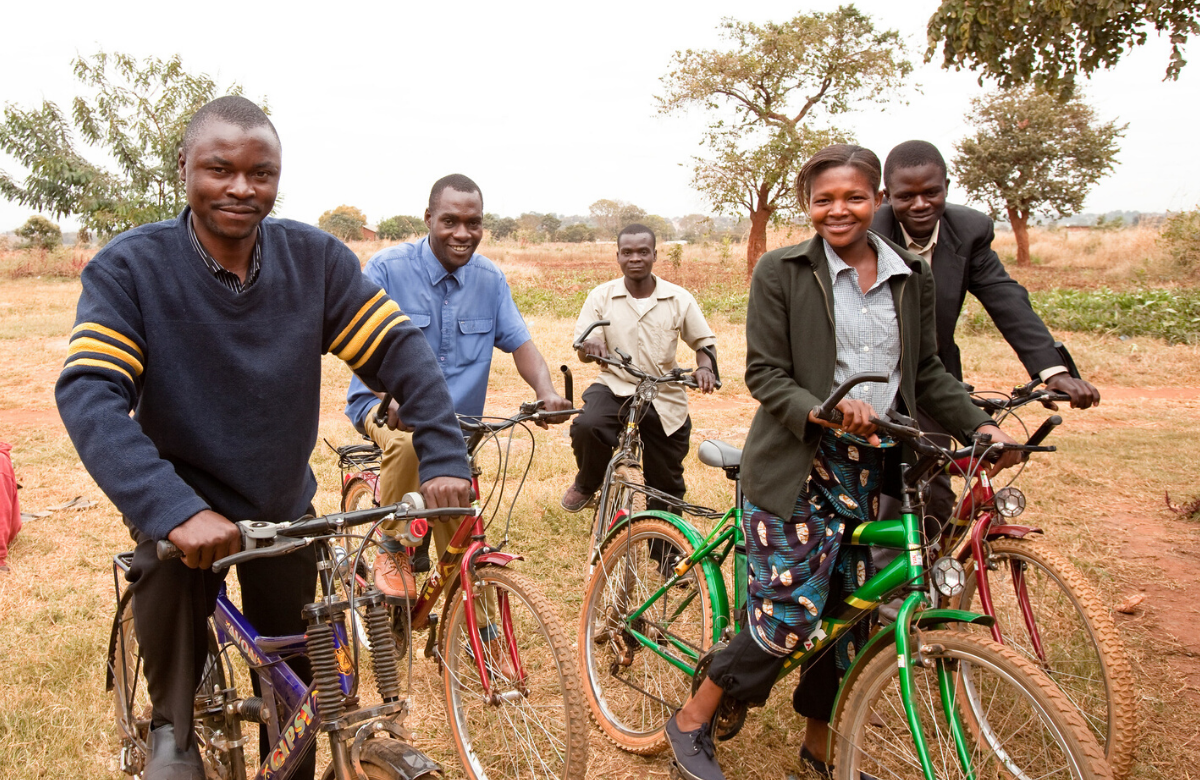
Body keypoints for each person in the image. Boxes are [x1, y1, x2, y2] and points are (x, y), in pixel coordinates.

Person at [55, 97, 471, 780]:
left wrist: (445, 452)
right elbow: (89, 392)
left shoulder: (315, 262)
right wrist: (173, 510)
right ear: (184, 168)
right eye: (220, 169)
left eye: (262, 174)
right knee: (171, 633)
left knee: (304, 695)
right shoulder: (131, 268)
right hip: (182, 509)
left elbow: (399, 349)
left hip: (279, 500)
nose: (242, 189)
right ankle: (171, 732)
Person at [664, 144, 1023, 780]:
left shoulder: (910, 272)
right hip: (800, 463)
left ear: (876, 200)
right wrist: (827, 410)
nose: (839, 210)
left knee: (852, 614)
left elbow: (928, 371)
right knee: (792, 613)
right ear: (808, 206)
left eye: (854, 197)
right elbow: (765, 375)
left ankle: (820, 743)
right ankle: (694, 717)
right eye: (824, 199)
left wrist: (980, 424)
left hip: (877, 467)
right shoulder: (782, 270)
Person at [344, 173, 570, 601]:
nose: (462, 233)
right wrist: (391, 400)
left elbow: (521, 344)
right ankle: (393, 550)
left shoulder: (490, 280)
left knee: (463, 531)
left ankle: (481, 636)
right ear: (428, 218)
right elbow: (362, 348)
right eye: (450, 221)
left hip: (455, 424)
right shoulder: (387, 269)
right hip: (384, 406)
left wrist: (546, 391)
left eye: (473, 223)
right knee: (410, 446)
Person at [872, 139, 1099, 523]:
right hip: (867, 374)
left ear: (947, 185)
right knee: (882, 495)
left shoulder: (970, 230)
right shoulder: (867, 231)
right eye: (905, 196)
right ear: (885, 196)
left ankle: (932, 577)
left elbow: (1005, 296)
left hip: (930, 376)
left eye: (932, 192)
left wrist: (1053, 370)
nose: (920, 204)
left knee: (933, 491)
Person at [562, 223, 717, 515]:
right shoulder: (601, 296)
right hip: (615, 384)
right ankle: (588, 482)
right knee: (587, 426)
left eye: (643, 252)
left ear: (655, 255)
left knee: (666, 482)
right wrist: (592, 344)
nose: (635, 258)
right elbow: (584, 342)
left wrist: (706, 368)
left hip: (663, 392)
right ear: (618, 256)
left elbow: (703, 343)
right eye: (628, 252)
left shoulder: (678, 298)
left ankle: (667, 554)